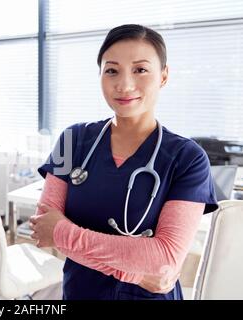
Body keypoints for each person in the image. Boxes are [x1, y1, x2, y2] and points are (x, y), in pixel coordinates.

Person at [29, 24, 218, 300]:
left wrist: (64, 233)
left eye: (140, 70)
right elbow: (44, 230)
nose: (124, 84)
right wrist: (139, 273)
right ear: (100, 75)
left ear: (163, 76)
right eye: (112, 70)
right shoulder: (72, 139)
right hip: (81, 293)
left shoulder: (188, 158)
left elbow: (163, 260)